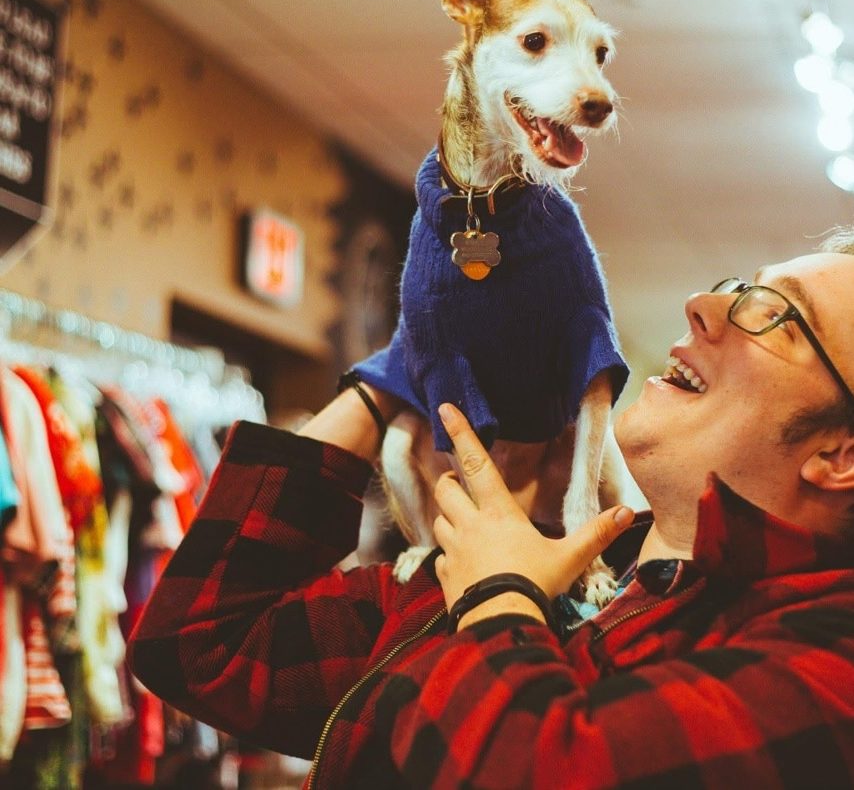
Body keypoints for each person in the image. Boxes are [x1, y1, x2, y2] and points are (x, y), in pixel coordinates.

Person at [126, 228, 854, 789]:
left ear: (840, 454)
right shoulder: (535, 564)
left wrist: (500, 599)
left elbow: (547, 768)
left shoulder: (826, 664)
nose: (704, 304)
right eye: (740, 286)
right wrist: (392, 377)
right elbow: (200, 643)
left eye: (780, 317)